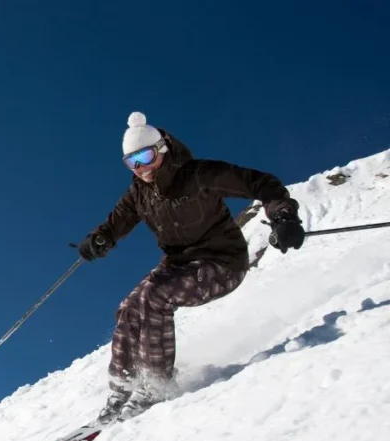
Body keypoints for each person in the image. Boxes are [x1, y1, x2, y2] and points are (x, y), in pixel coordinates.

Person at [78, 111, 305, 423]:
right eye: (132, 162)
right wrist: (99, 240)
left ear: (162, 149)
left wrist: (283, 217)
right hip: (179, 265)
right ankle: (122, 387)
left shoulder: (199, 174)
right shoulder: (138, 194)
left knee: (155, 296)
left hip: (222, 262)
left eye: (145, 156)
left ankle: (156, 385)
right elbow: (115, 224)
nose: (141, 168)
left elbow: (260, 183)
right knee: (130, 306)